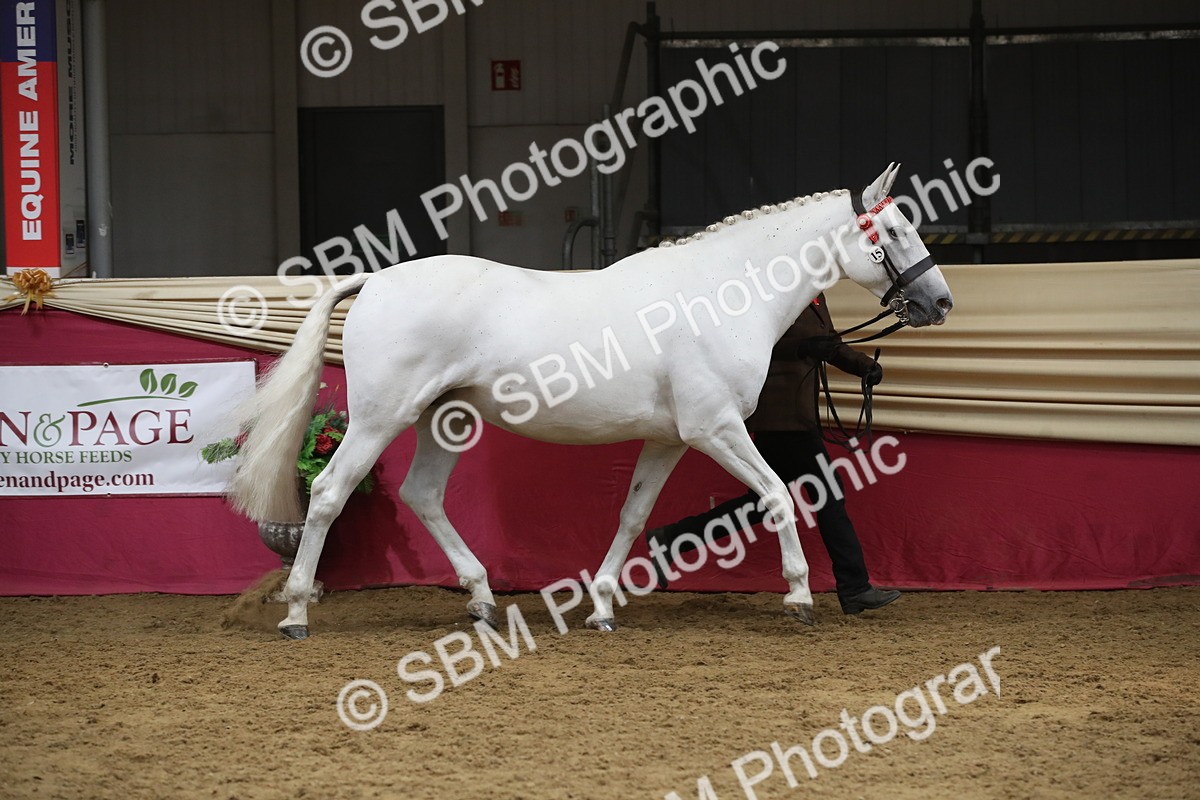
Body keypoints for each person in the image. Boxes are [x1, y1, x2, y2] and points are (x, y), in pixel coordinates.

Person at [645, 293, 901, 615]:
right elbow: (750, 347)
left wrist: (864, 367)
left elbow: (830, 345)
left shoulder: (815, 298)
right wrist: (801, 349)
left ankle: (673, 539)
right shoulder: (773, 295)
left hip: (797, 417)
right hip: (780, 418)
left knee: (760, 506)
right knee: (829, 495)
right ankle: (855, 588)